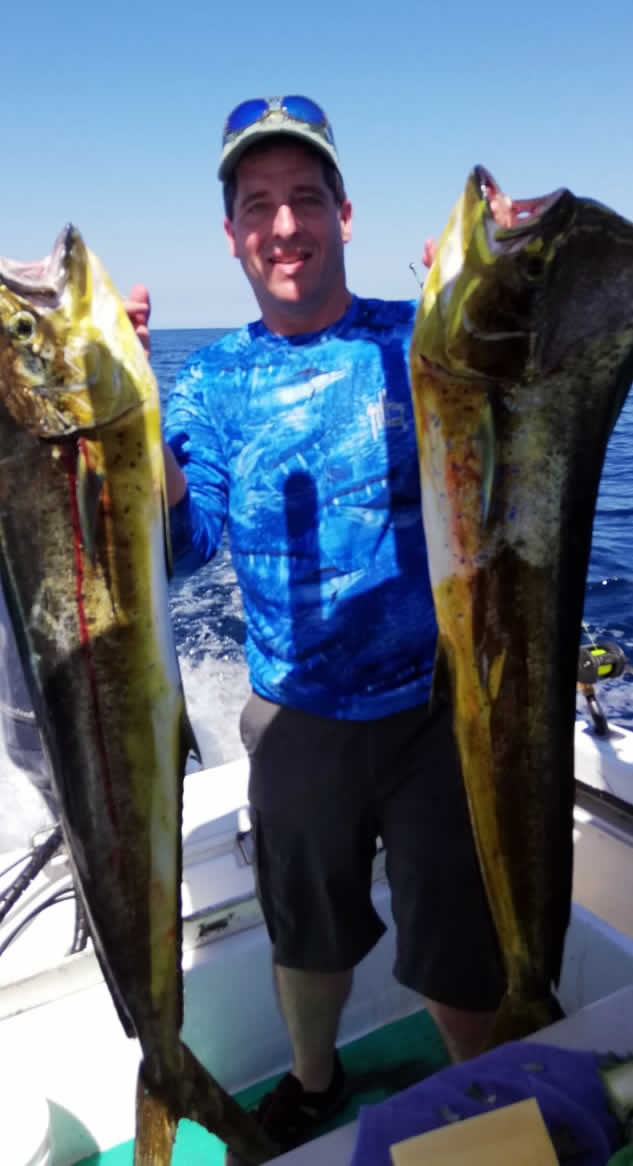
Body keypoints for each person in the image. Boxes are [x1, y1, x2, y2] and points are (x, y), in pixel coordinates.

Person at [128, 95, 505, 1161]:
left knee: (458, 934)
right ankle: (312, 1075)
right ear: (232, 233)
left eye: (305, 198)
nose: (284, 225)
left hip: (435, 705)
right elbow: (181, 543)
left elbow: (506, 440)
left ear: (345, 213)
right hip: (293, 715)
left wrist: (488, 307)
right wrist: (128, 413)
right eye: (259, 204)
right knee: (307, 933)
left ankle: (478, 1080)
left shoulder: (416, 339)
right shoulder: (205, 385)